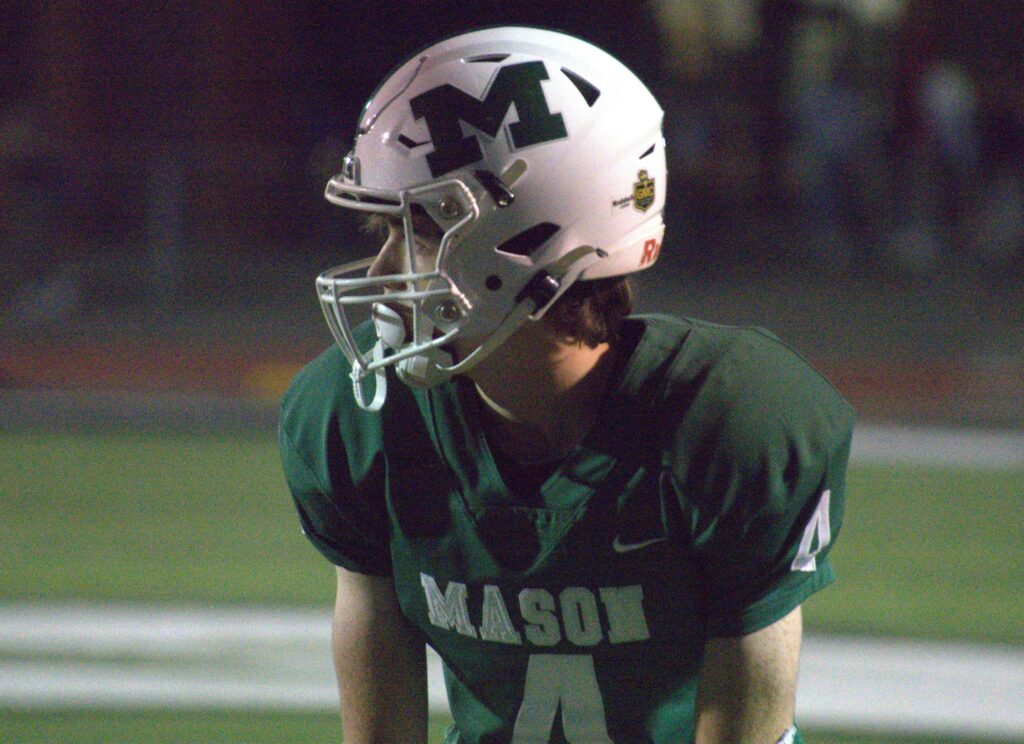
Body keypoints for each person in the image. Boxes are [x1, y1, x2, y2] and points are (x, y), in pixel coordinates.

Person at [279, 26, 854, 744]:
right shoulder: (361, 413)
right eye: (385, 231)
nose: (382, 270)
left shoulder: (731, 422)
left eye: (421, 231)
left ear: (535, 236)